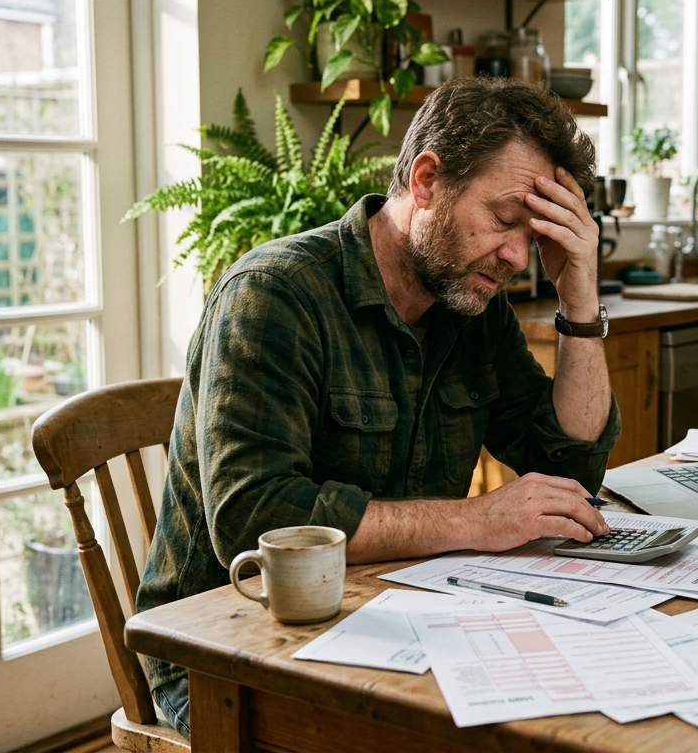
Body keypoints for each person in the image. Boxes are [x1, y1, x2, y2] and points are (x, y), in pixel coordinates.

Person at [135, 77, 621, 738]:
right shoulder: (276, 295)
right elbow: (256, 518)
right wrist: (474, 520)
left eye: (532, 236)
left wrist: (580, 301)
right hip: (232, 654)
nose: (516, 255)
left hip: (399, 624)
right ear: (426, 181)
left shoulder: (469, 305)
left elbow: (568, 463)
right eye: (507, 220)